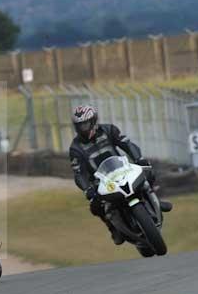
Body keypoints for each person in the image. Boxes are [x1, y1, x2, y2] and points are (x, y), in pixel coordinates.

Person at [69, 105, 172, 245]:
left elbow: (128, 144)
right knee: (95, 206)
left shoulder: (109, 130)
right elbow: (78, 173)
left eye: (85, 124)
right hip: (101, 181)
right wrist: (87, 188)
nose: (83, 129)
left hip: (123, 169)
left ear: (93, 121)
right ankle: (112, 228)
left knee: (147, 170)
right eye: (79, 126)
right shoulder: (75, 148)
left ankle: (156, 200)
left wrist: (138, 158)